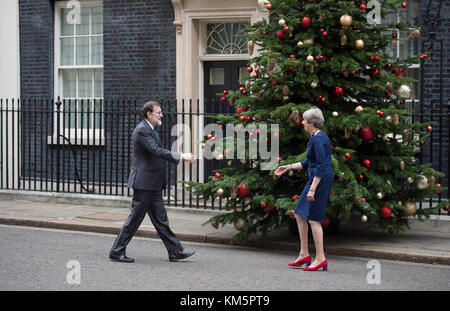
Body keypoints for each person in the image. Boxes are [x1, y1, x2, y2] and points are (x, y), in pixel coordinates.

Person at [109, 101, 196, 263]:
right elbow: (156, 151)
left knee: (161, 219)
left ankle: (175, 251)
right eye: (159, 112)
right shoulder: (142, 130)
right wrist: (181, 156)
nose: (161, 115)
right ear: (149, 114)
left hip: (152, 183)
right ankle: (116, 250)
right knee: (135, 218)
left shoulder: (151, 130)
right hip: (144, 183)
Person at [275, 106, 332, 271]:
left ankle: (320, 258)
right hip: (316, 178)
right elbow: (310, 162)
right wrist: (288, 167)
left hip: (319, 180)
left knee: (313, 219)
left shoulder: (317, 139)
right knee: (300, 213)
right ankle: (304, 254)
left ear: (312, 123)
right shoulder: (316, 137)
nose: (302, 122)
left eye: (305, 120)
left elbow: (321, 165)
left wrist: (313, 188)